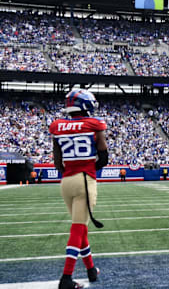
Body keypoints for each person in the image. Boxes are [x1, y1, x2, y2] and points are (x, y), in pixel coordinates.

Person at [49, 89, 106, 289]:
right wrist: (89, 167)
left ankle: (91, 269)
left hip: (67, 181)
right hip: (84, 180)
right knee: (78, 228)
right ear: (85, 105)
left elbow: (57, 161)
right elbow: (104, 157)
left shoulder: (56, 126)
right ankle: (66, 277)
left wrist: (71, 170)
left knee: (80, 227)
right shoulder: (94, 124)